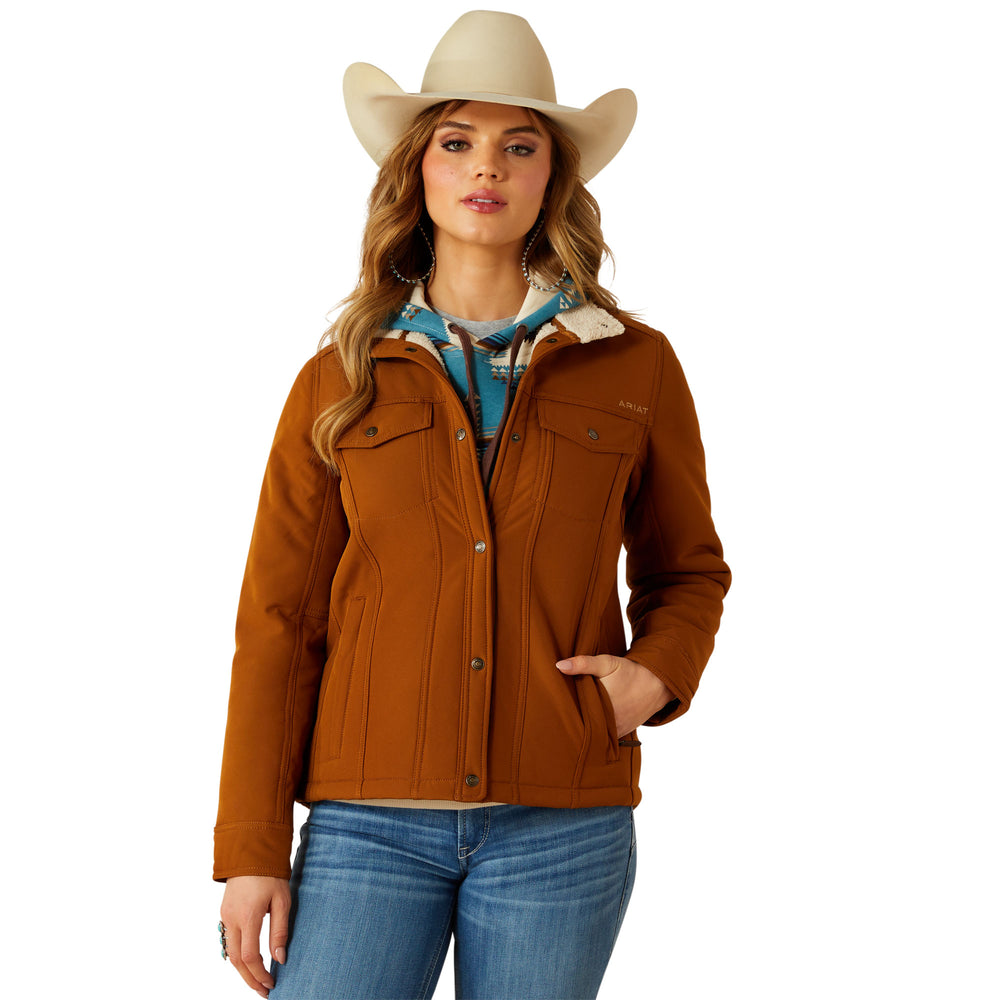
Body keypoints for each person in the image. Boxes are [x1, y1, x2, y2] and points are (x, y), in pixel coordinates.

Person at [214, 11, 731, 999]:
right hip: (366, 822)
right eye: (456, 142)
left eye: (519, 145)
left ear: (551, 177)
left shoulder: (636, 366)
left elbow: (688, 569)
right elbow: (278, 620)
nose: (486, 166)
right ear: (417, 170)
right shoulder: (339, 377)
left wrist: (652, 678)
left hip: (563, 825)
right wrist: (251, 845)